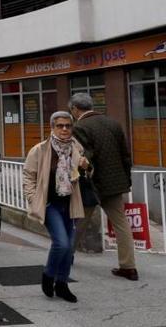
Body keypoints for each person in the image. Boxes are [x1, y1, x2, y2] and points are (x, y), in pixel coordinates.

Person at [68, 92, 137, 281]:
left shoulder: (80, 127)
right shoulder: (113, 123)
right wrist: (126, 180)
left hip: (92, 184)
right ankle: (129, 266)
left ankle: (66, 256)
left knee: (79, 222)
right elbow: (125, 155)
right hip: (115, 183)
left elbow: (83, 158)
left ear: (75, 109)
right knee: (121, 224)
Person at [22, 111, 88, 303]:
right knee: (62, 243)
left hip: (69, 203)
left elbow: (86, 172)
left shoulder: (76, 147)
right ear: (52, 127)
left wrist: (85, 167)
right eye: (60, 126)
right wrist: (33, 199)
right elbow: (28, 176)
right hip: (49, 204)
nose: (65, 129)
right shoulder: (40, 149)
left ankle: (62, 284)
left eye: (68, 125)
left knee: (68, 248)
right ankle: (49, 275)